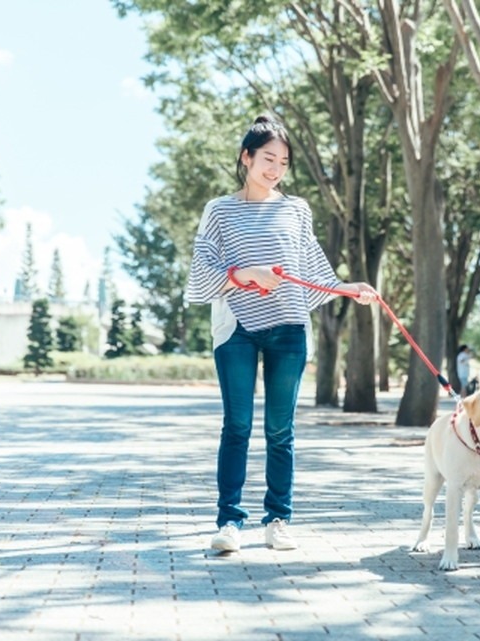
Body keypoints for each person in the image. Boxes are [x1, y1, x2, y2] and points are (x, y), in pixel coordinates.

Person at [185, 115, 378, 552]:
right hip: (236, 327)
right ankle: (229, 523)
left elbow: (309, 264)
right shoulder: (219, 210)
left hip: (288, 327)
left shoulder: (296, 209)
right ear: (246, 158)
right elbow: (203, 268)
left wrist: (348, 288)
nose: (275, 169)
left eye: (284, 162)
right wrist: (242, 274)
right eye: (268, 158)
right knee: (237, 425)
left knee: (280, 429)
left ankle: (278, 519)